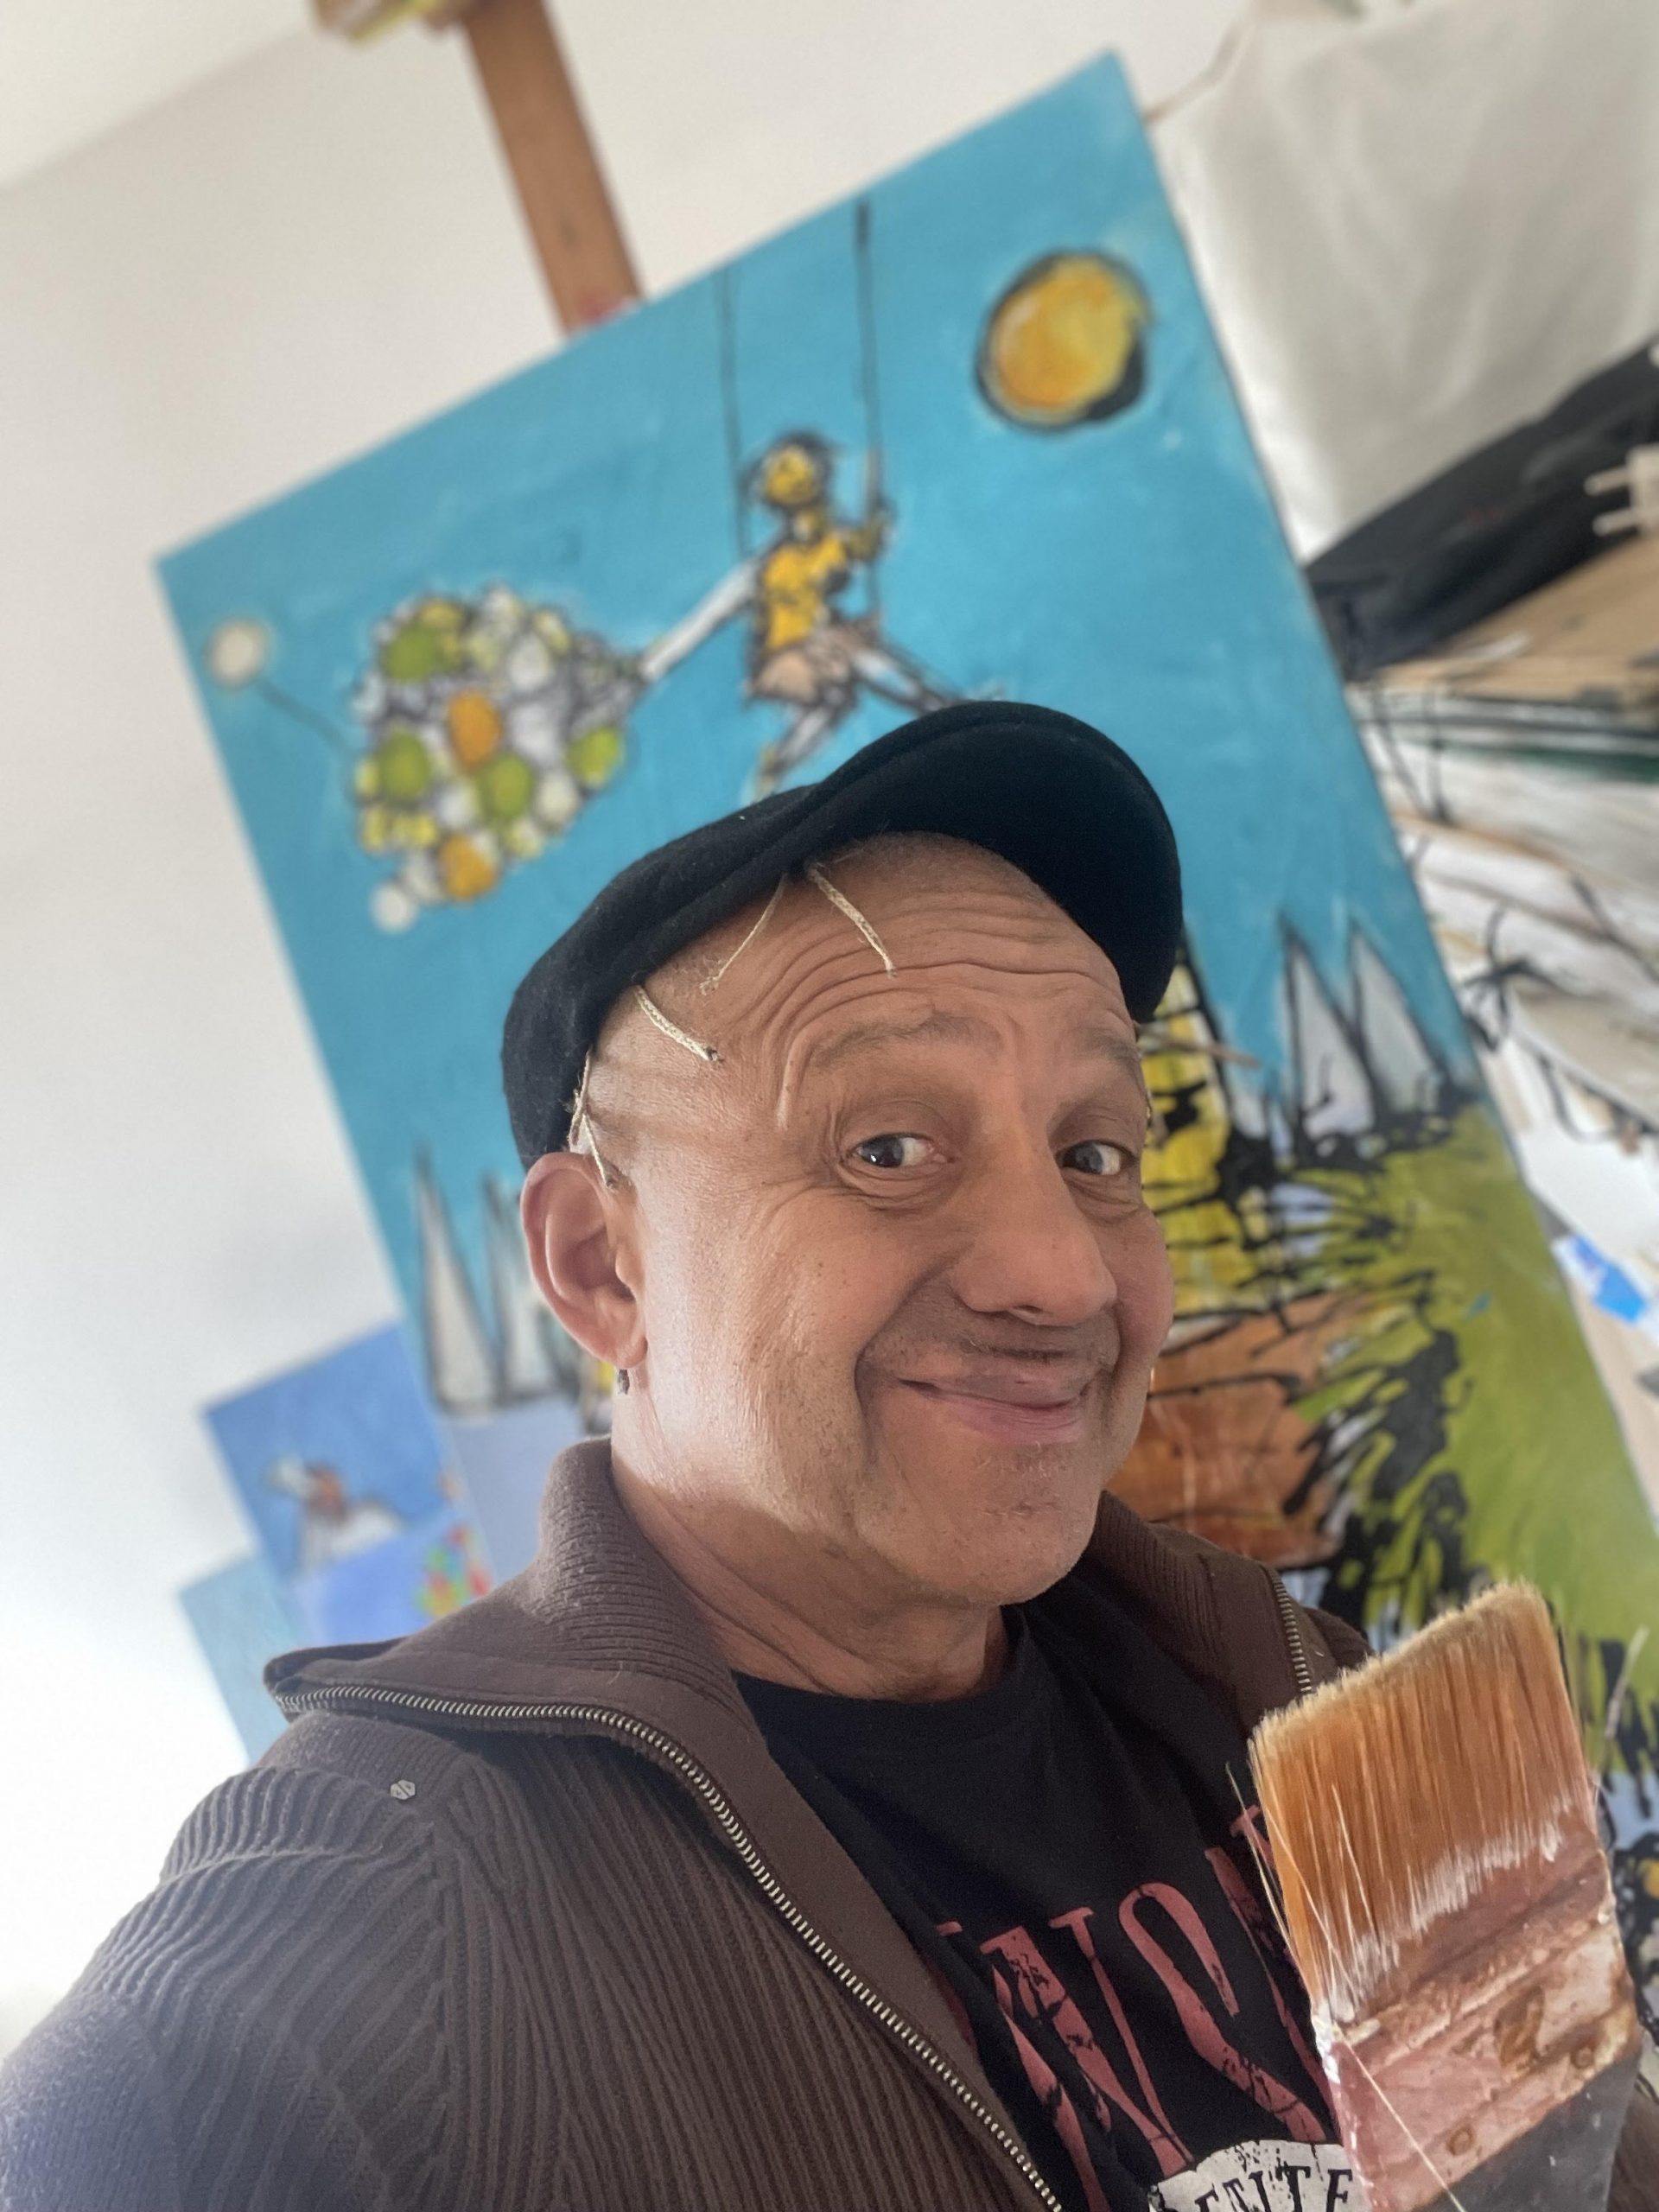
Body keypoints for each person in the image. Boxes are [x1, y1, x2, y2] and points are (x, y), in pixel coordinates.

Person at [1, 702, 1650, 2212]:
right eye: (887, 1146)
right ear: (600, 1265)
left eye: (1097, 1151)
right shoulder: (377, 1905)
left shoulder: (1291, 1684)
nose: (1064, 1274)